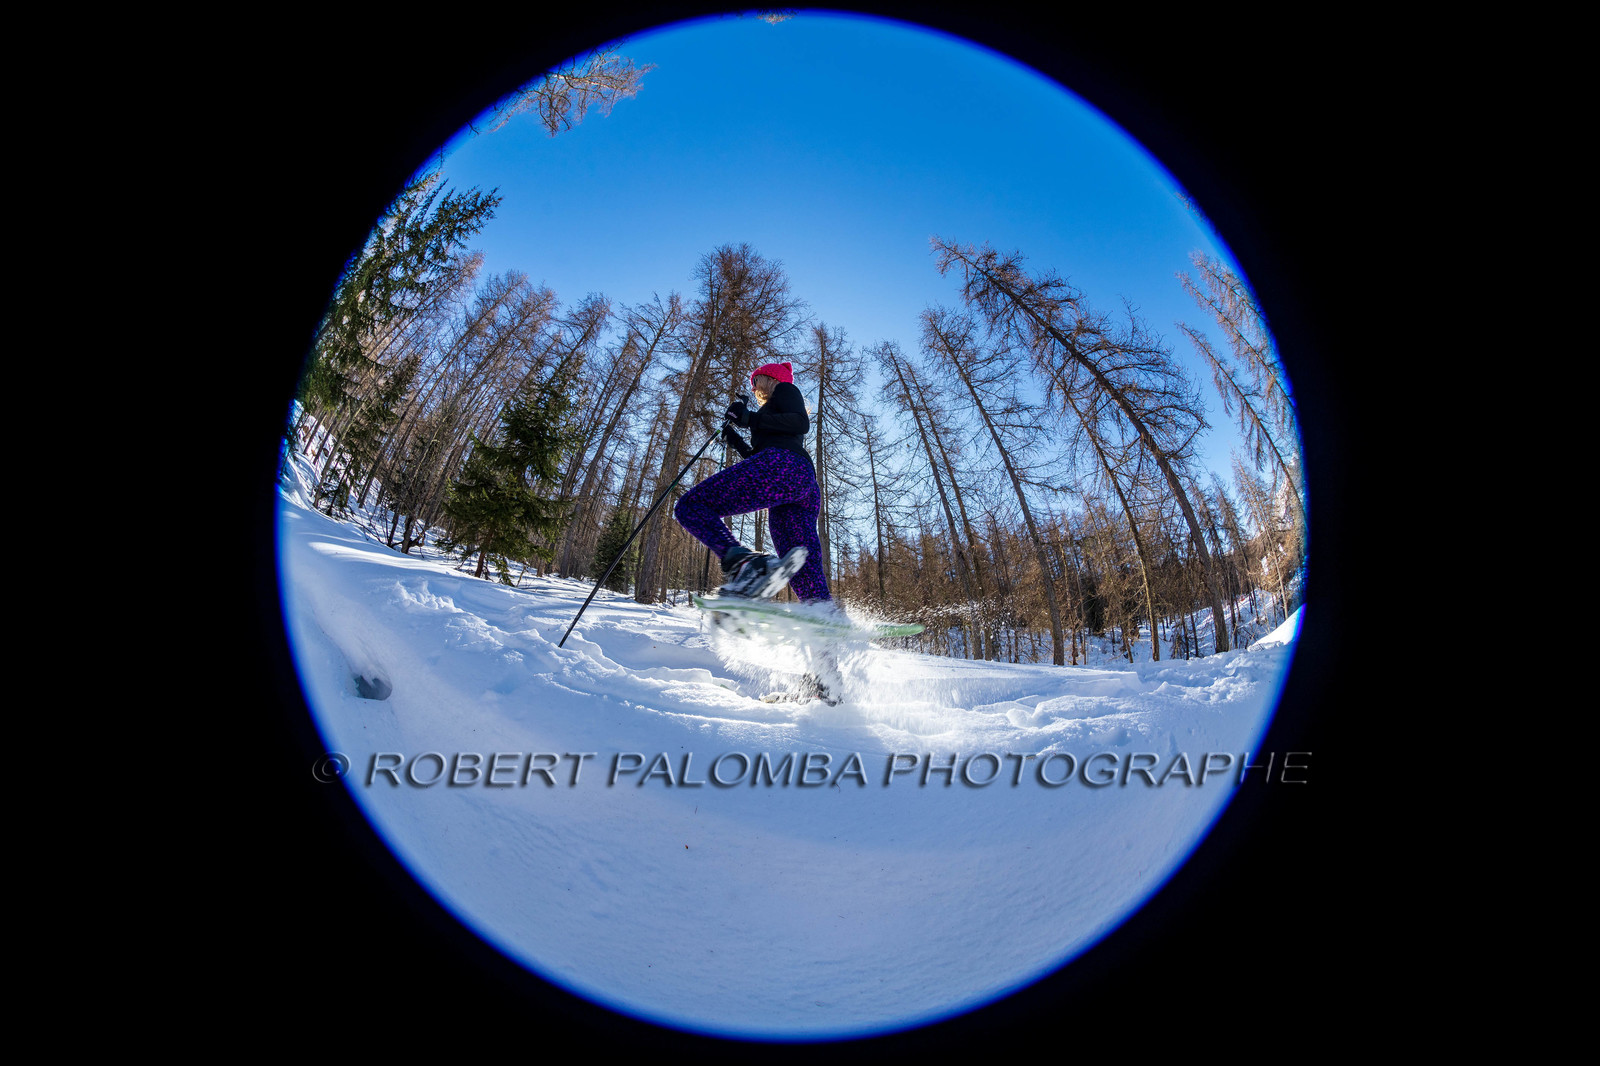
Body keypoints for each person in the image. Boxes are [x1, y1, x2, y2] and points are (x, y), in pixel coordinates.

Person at [673, 361, 833, 606]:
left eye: (756, 380)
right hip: (797, 482)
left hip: (785, 468)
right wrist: (735, 438)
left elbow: (802, 423)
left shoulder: (786, 389)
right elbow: (759, 458)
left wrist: (749, 418)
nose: (754, 386)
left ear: (770, 377)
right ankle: (822, 614)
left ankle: (744, 565)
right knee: (800, 561)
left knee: (691, 506)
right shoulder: (771, 410)